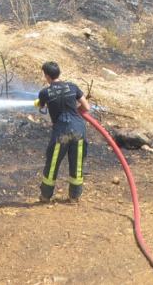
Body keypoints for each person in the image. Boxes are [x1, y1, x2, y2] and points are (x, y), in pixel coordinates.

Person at [34, 60, 90, 203]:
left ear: (47, 76)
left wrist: (39, 102)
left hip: (62, 132)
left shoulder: (45, 92)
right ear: (59, 73)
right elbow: (86, 107)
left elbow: (41, 105)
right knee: (77, 164)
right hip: (78, 129)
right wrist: (75, 110)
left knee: (53, 164)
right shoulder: (72, 87)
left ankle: (46, 196)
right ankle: (74, 197)